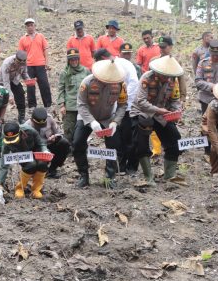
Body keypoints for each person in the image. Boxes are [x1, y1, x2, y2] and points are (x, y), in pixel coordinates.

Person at [73, 59, 128, 189]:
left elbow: (122, 105)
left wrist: (115, 122)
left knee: (114, 145)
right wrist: (91, 122)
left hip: (108, 117)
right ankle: (83, 175)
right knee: (77, 143)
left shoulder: (120, 85)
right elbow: (81, 104)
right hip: (86, 116)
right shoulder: (87, 83)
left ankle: (109, 178)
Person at [130, 56, 185, 185]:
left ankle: (169, 175)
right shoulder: (146, 78)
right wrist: (159, 110)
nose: (166, 78)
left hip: (162, 116)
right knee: (141, 144)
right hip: (142, 112)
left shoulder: (173, 81)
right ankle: (148, 177)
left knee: (175, 140)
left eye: (169, 76)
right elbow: (141, 101)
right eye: (164, 76)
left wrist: (176, 111)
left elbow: (174, 100)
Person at [0, 121, 49, 199]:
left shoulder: (30, 131)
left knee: (43, 164)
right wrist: (0, 185)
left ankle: (36, 189)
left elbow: (41, 144)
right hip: (23, 156)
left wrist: (45, 151)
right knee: (31, 165)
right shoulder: (5, 141)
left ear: (20, 133)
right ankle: (20, 188)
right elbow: (4, 164)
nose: (11, 142)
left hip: (36, 151)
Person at [56, 48, 90, 145]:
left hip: (83, 105)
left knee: (82, 130)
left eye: (75, 59)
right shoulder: (64, 73)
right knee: (68, 130)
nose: (74, 61)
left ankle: (81, 148)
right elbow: (61, 89)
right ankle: (69, 150)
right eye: (71, 59)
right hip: (70, 106)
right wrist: (62, 105)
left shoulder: (86, 71)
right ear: (68, 60)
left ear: (78, 59)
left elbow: (91, 87)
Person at [113, 57, 140, 175]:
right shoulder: (106, 69)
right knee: (118, 140)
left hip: (129, 108)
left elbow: (134, 83)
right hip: (114, 110)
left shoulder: (125, 65)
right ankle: (121, 166)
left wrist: (122, 98)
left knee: (130, 139)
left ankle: (132, 167)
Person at [26, 107, 69, 178]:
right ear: (32, 120)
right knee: (38, 167)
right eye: (38, 125)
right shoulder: (27, 126)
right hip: (37, 150)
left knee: (64, 143)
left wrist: (55, 137)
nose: (41, 126)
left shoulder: (49, 118)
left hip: (50, 145)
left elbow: (59, 133)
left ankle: (52, 169)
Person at [18, 18, 51, 108]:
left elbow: (45, 49)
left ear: (34, 26)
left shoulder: (40, 36)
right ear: (26, 27)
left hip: (41, 65)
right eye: (28, 25)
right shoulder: (22, 39)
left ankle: (48, 104)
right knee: (30, 87)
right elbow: (20, 54)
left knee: (44, 85)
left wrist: (47, 62)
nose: (30, 27)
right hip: (28, 66)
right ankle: (32, 106)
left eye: (31, 25)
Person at [0, 50, 30, 124]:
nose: (21, 64)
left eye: (23, 63)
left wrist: (28, 80)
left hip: (14, 80)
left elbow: (24, 73)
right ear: (15, 59)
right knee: (1, 99)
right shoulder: (7, 63)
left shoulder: (24, 62)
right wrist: (10, 96)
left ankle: (21, 118)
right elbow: (6, 82)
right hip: (1, 81)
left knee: (20, 94)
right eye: (19, 63)